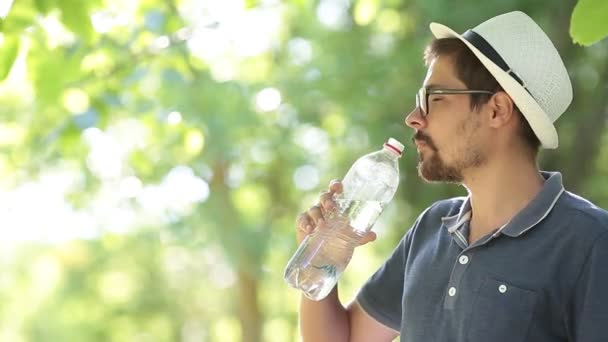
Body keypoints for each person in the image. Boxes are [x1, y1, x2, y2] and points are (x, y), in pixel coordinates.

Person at [294, 11, 608, 342]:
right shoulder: (431, 228)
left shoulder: (591, 242)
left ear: (497, 110)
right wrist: (320, 259)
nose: (414, 118)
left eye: (436, 99)